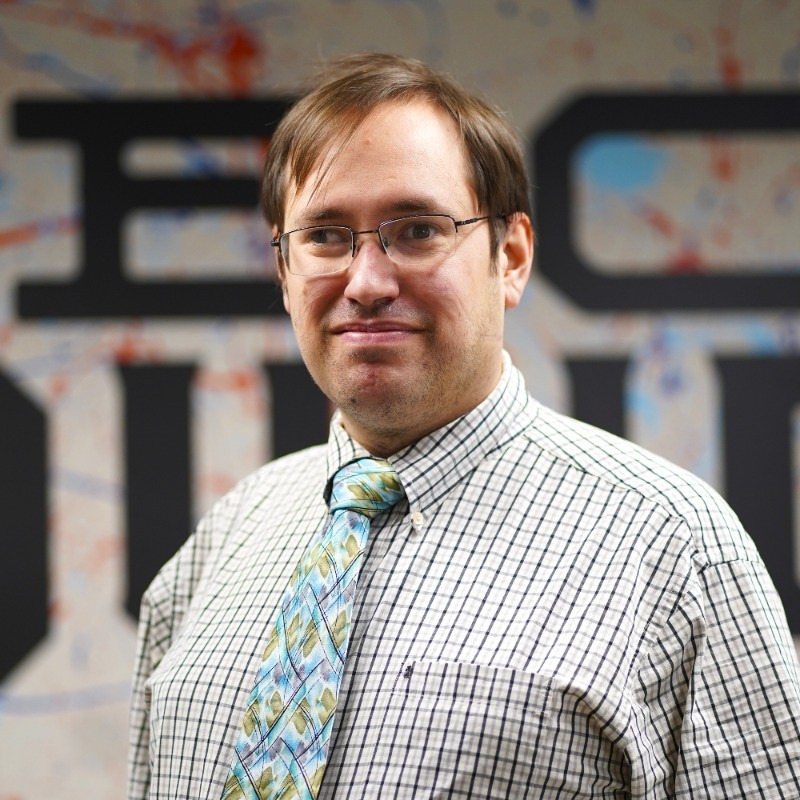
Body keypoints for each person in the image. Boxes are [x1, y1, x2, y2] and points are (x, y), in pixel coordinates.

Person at [128, 53, 800, 800]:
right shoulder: (223, 543)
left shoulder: (672, 547)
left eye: (417, 230)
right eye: (324, 235)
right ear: (284, 270)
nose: (368, 282)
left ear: (509, 258)